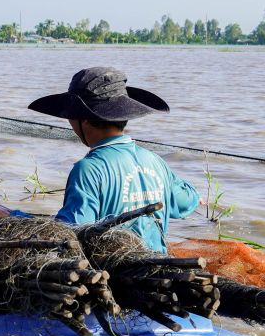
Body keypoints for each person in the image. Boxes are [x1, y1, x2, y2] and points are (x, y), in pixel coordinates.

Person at [22, 66, 200, 253]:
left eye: (70, 116)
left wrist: (14, 216)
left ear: (84, 120)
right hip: (156, 261)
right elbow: (187, 201)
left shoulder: (88, 169)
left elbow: (70, 233)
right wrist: (196, 195)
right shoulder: (155, 161)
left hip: (112, 266)